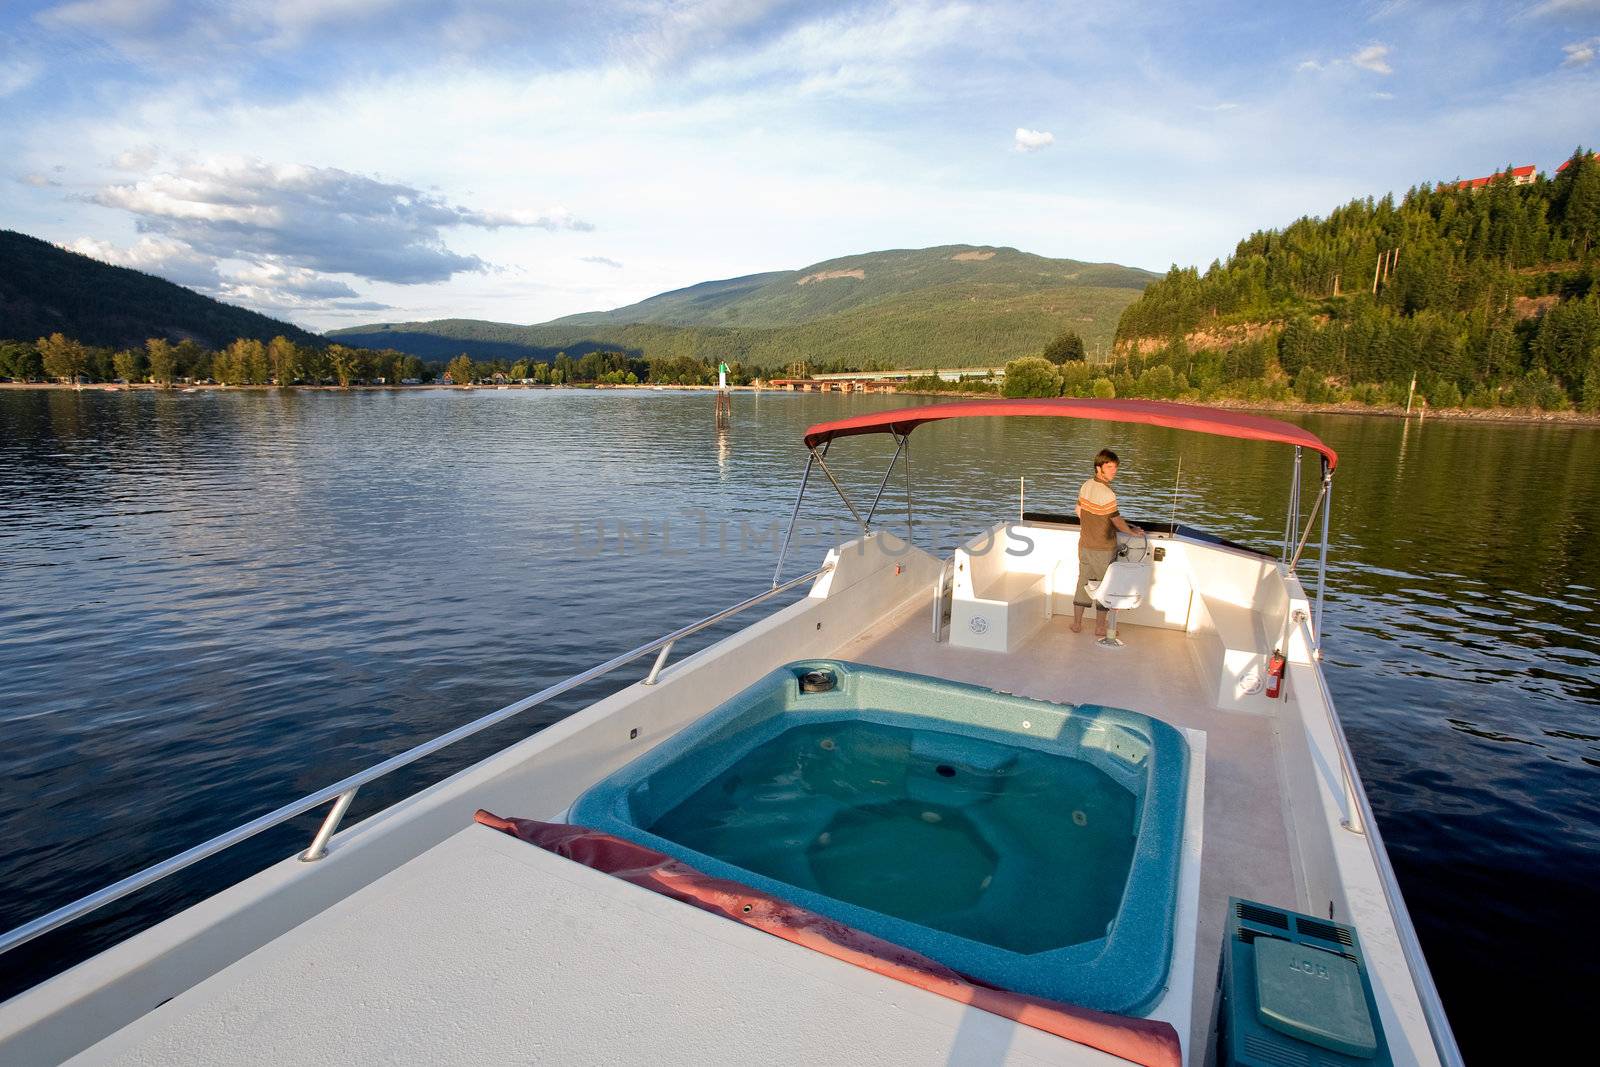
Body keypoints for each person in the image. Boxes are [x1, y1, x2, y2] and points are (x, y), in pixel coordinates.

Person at [1072, 448, 1143, 637]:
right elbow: (1117, 521)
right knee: (1104, 586)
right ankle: (1100, 627)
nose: (1114, 471)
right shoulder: (1107, 493)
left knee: (1083, 583)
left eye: (1115, 467)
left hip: (1085, 545)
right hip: (1103, 548)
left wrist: (1092, 525)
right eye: (1109, 467)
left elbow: (1078, 511)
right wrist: (1132, 531)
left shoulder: (1086, 485)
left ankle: (1077, 624)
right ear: (1098, 467)